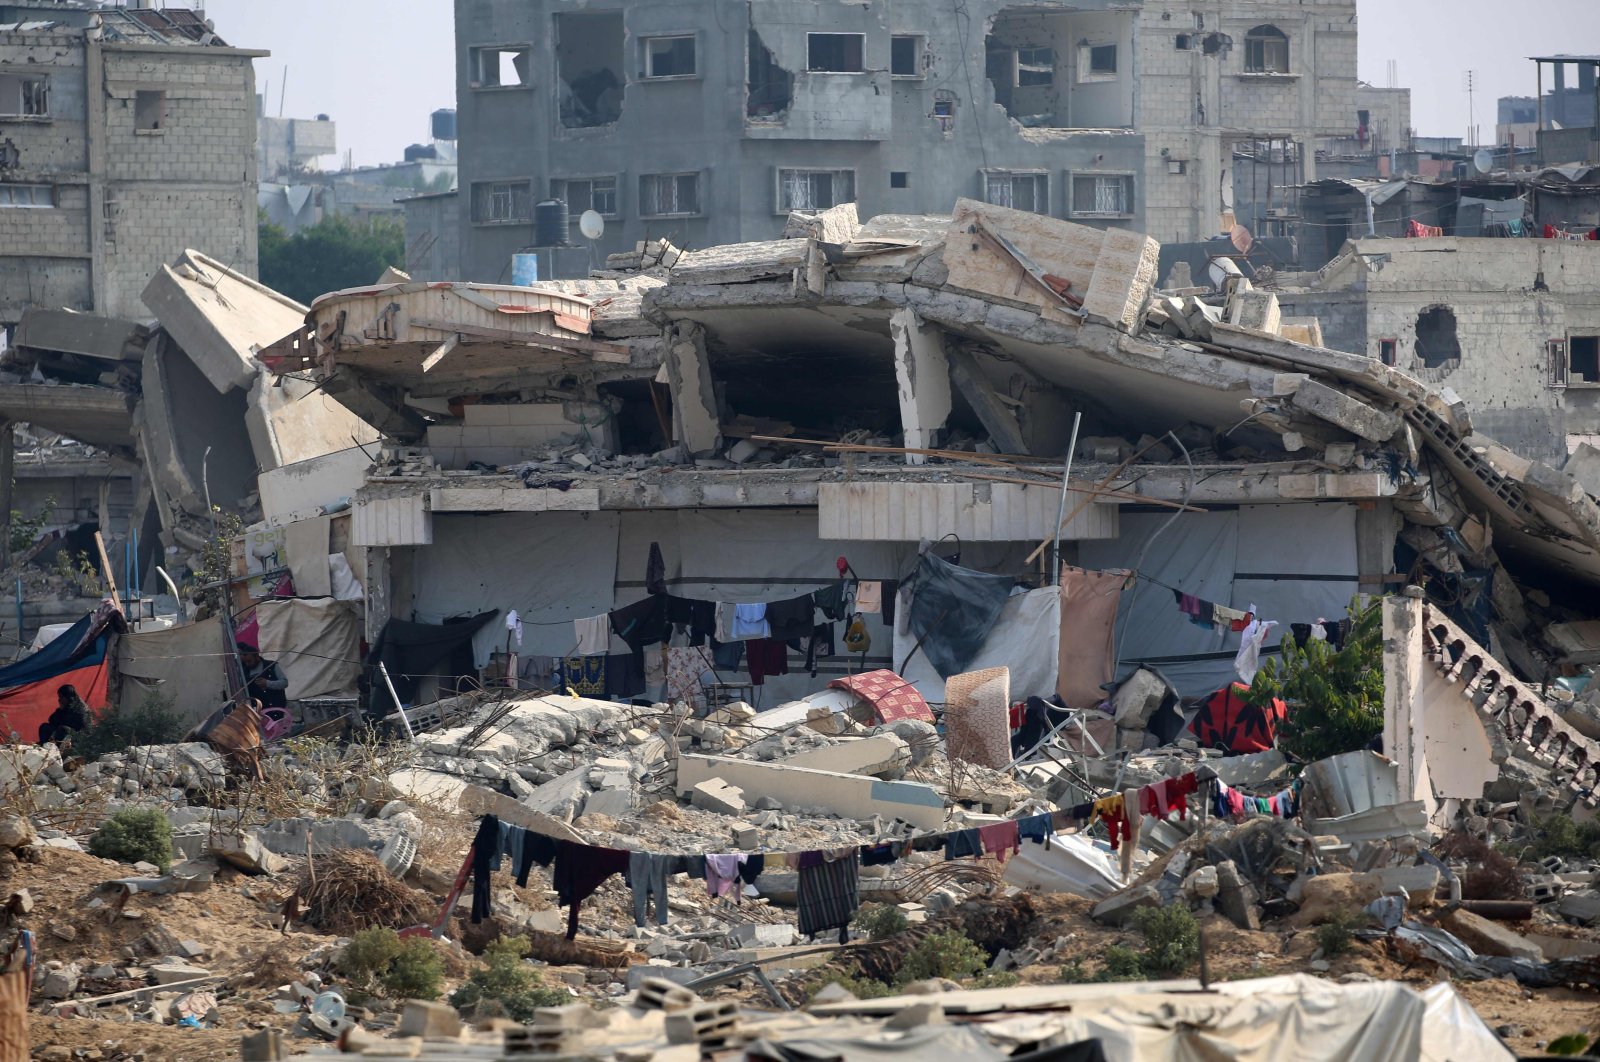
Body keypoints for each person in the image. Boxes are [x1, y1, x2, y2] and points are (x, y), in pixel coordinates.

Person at [238, 642, 288, 709]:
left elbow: (284, 683)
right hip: (258, 710)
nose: (247, 664)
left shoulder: (272, 666)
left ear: (256, 656)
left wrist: (267, 683)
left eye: (249, 661)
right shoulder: (244, 672)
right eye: (245, 662)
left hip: (277, 707)